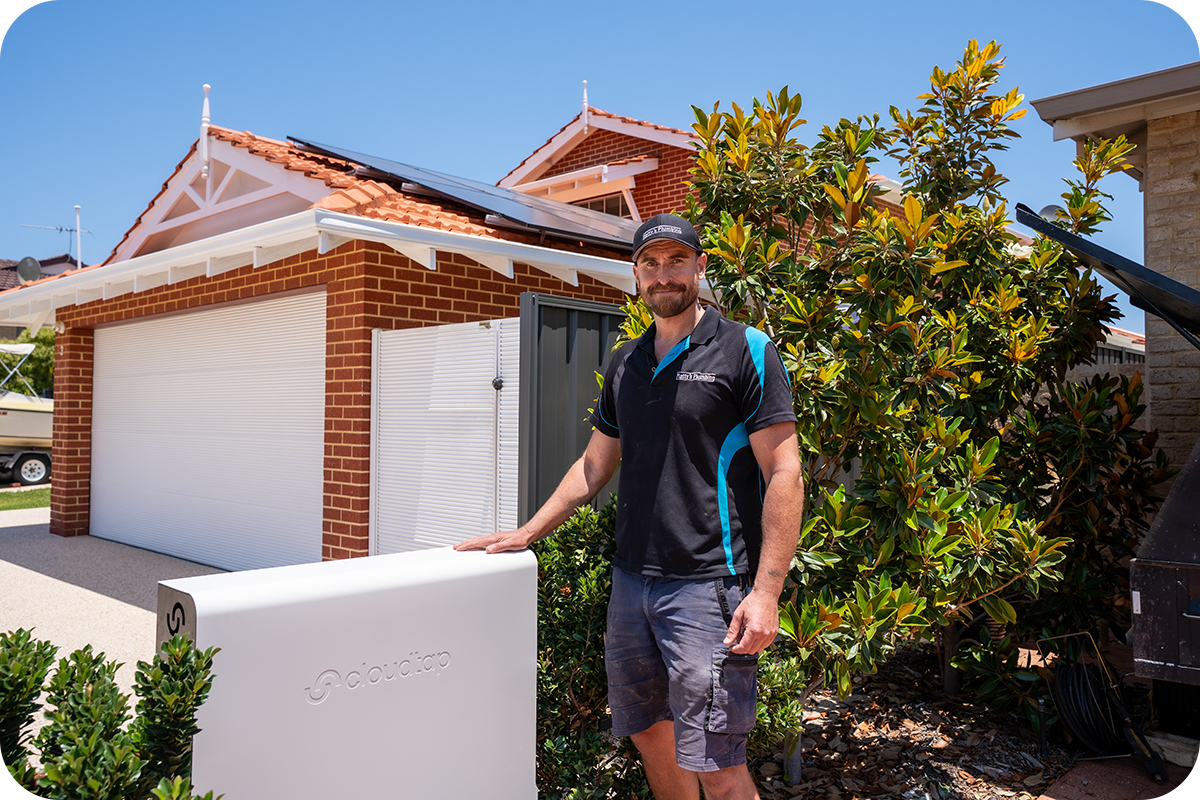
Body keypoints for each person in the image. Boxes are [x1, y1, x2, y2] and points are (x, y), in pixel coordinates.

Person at [455, 213, 804, 800]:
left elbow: (785, 472)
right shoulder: (626, 362)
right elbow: (594, 466)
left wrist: (766, 592)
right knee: (650, 735)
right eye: (651, 263)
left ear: (700, 267)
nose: (664, 275)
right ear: (636, 275)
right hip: (632, 585)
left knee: (717, 762)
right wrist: (528, 531)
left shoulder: (745, 349)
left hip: (709, 587)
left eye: (677, 261)